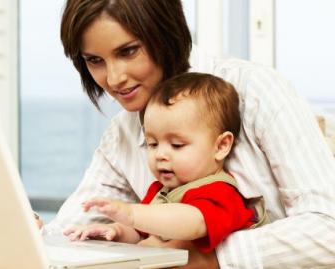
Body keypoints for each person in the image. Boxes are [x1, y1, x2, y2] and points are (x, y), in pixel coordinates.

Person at [43, 0, 335, 268]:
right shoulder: (121, 136)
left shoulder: (256, 91)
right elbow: (71, 230)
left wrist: (211, 259)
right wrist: (35, 234)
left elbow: (329, 230)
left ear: (166, 34)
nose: (114, 78)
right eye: (95, 60)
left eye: (128, 51)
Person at [64, 73, 267, 254]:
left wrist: (131, 213)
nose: (160, 154)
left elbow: (193, 222)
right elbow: (140, 232)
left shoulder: (221, 193)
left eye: (177, 145)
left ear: (221, 146)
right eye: (152, 144)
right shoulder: (160, 191)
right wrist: (116, 230)